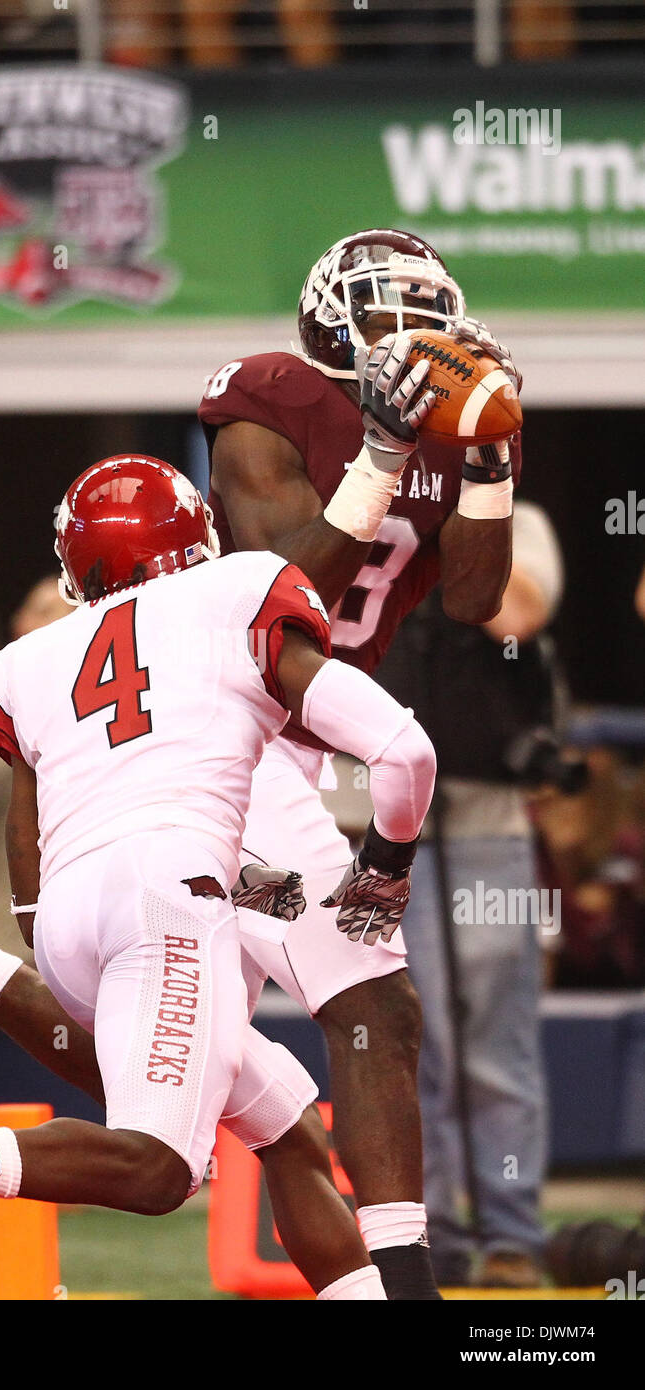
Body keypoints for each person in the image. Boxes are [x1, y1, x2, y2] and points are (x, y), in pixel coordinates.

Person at [0, 454, 435, 1299]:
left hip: (74, 911)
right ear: (192, 533)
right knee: (163, 1167)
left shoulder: (28, 658)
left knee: (287, 1129)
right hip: (169, 890)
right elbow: (404, 749)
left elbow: (30, 836)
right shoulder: (237, 590)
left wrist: (65, 934)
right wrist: (384, 867)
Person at [193, 229, 521, 1298]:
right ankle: (400, 1281)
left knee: (215, 1088)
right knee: (360, 995)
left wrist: (483, 462)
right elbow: (273, 591)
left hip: (282, 760)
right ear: (332, 319)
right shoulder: (271, 391)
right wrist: (379, 452)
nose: (411, 339)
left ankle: (382, 1280)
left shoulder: (433, 428)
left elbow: (472, 603)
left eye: (428, 315)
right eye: (387, 314)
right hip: (210, 732)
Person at [374, 500, 564, 1286]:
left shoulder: (519, 521)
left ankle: (512, 1233)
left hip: (485, 826)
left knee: (495, 1045)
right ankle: (432, 1234)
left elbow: (516, 608)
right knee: (407, 1049)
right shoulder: (357, 520)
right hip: (375, 827)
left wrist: (453, 511)